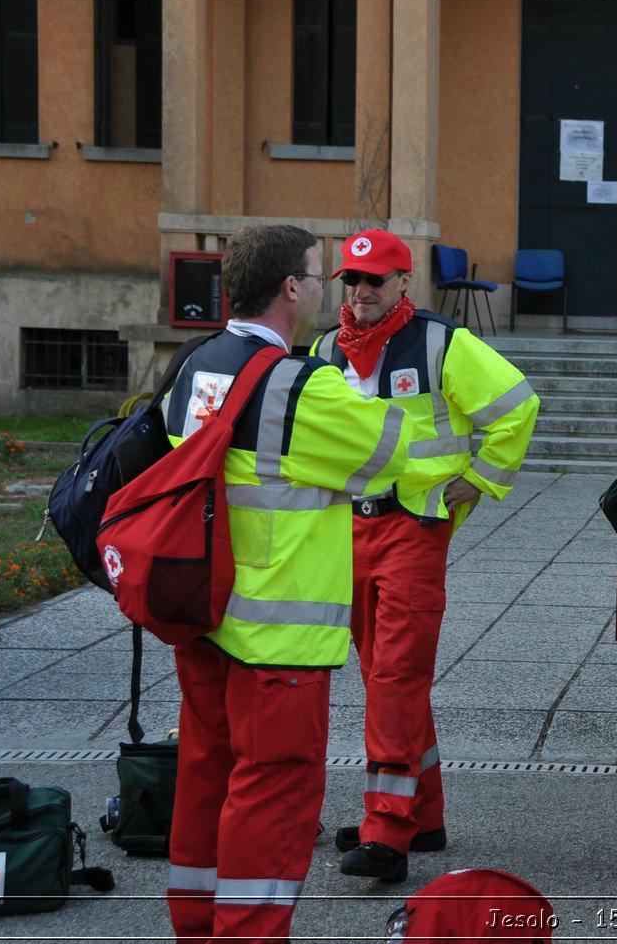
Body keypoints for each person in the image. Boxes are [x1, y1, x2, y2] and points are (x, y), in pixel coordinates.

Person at [159, 224, 413, 944]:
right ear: (291, 287)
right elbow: (389, 455)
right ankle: (250, 932)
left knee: (205, 780)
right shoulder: (301, 383)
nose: (329, 289)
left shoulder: (194, 362)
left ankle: (199, 927)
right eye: (316, 274)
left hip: (202, 614)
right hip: (279, 634)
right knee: (273, 797)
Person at [311, 228, 539, 883]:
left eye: (373, 281)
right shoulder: (326, 349)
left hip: (414, 526)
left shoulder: (443, 342)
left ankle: (387, 831)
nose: (359, 293)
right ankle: (423, 813)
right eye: (351, 281)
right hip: (347, 529)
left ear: (405, 282)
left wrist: (482, 479)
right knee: (388, 672)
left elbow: (517, 406)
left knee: (394, 678)